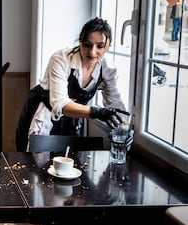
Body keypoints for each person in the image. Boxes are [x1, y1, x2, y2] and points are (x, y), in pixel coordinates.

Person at [16, 17, 133, 152]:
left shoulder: (107, 69)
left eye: (100, 46)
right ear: (80, 41)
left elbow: (115, 104)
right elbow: (61, 104)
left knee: (69, 162)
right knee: (34, 165)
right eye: (87, 44)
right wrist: (96, 111)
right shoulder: (61, 59)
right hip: (43, 115)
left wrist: (124, 128)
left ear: (108, 46)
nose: (92, 52)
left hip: (72, 120)